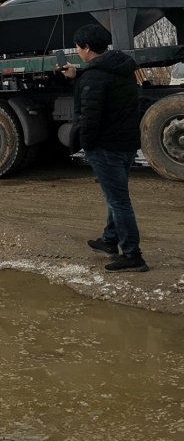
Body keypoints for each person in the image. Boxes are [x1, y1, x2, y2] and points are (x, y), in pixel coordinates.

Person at [60, 24, 147, 272]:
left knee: (119, 201)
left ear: (86, 48)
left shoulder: (95, 76)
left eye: (78, 47)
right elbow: (107, 94)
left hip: (106, 146)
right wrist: (78, 76)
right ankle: (110, 241)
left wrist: (85, 145)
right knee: (115, 196)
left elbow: (89, 117)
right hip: (127, 143)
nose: (77, 51)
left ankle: (133, 255)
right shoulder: (122, 68)